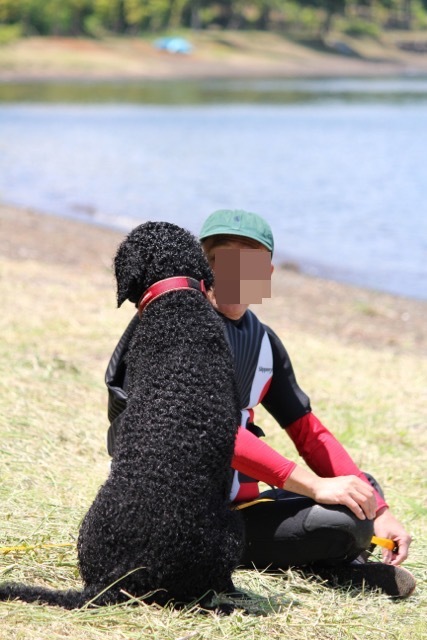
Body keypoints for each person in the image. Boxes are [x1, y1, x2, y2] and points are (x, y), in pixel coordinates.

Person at [105, 209, 414, 597]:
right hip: (192, 518)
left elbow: (308, 432)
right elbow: (211, 429)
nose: (236, 276)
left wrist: (382, 510)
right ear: (202, 266)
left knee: (362, 488)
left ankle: (341, 561)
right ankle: (341, 562)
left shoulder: (263, 341)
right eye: (223, 263)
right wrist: (314, 487)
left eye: (249, 266)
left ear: (267, 275)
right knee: (343, 522)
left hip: (245, 509)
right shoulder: (177, 328)